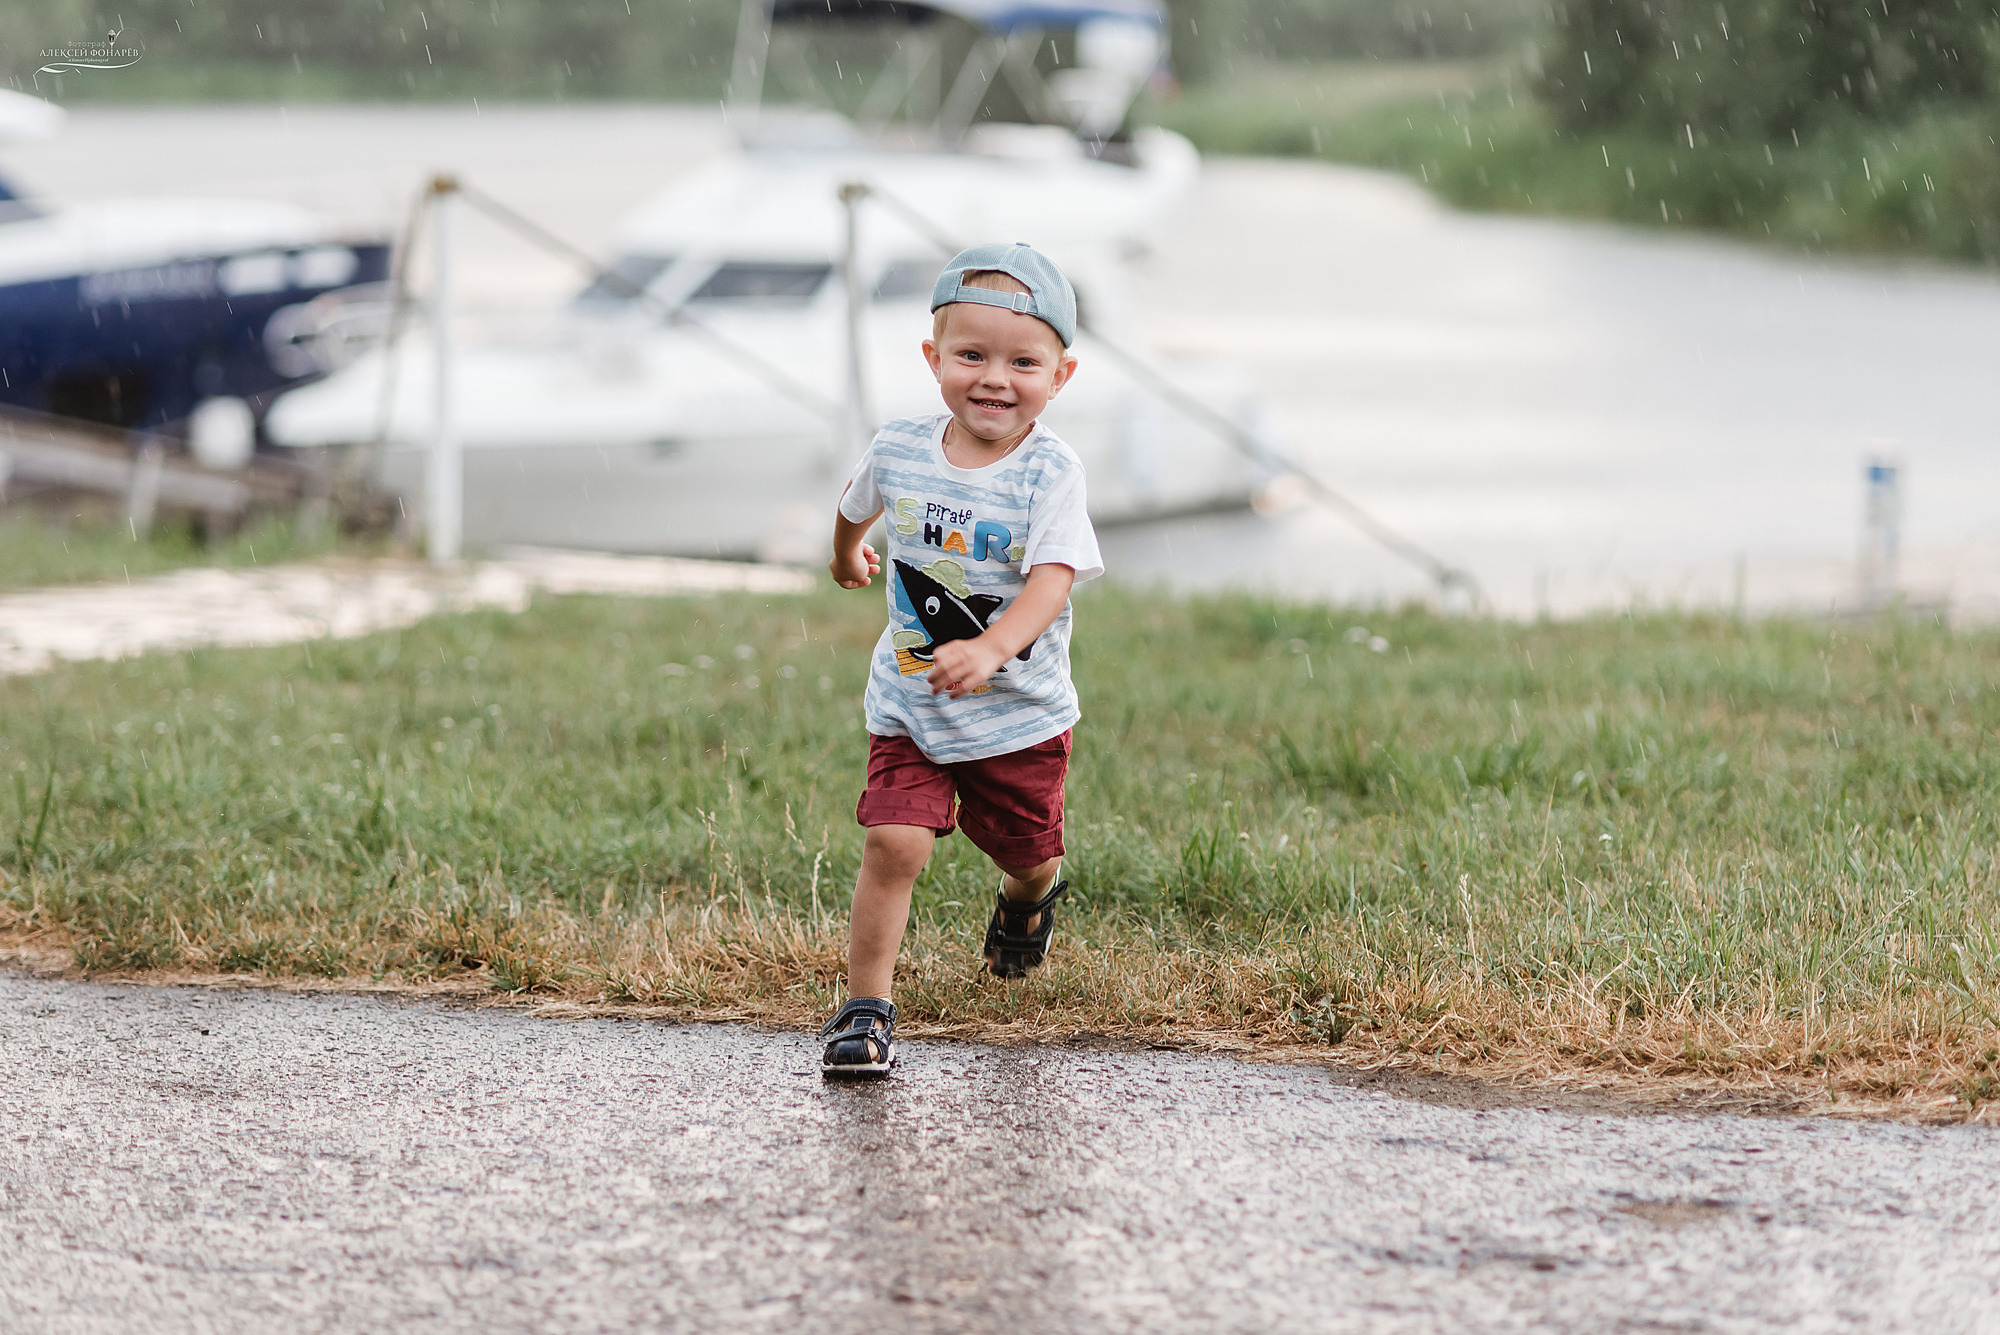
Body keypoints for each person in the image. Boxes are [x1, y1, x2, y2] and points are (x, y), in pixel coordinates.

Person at [818, 242, 1104, 1079]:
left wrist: (992, 645)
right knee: (894, 843)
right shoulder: (903, 444)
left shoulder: (1049, 470)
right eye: (971, 355)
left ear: (1060, 374)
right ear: (933, 357)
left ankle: (1026, 904)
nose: (994, 378)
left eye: (1023, 361)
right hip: (909, 700)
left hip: (1018, 712)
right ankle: (865, 1008)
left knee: (1026, 853)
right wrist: (845, 555)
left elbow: (1053, 579)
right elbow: (854, 506)